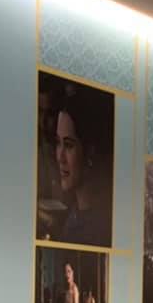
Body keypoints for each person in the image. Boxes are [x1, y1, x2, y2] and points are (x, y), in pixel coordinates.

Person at [46, 84, 112, 246]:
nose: (60, 157)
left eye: (69, 145)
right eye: (58, 143)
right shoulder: (75, 213)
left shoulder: (97, 226)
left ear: (89, 151)